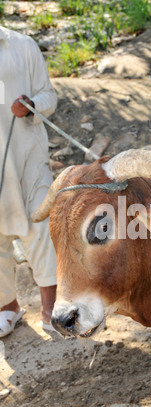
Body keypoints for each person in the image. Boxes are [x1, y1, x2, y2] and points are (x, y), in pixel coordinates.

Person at [0, 25, 58, 337]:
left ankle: (50, 304)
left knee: (40, 225)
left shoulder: (22, 45)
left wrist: (31, 105)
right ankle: (7, 306)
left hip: (27, 157)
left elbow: (49, 96)